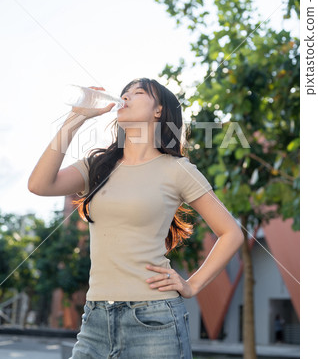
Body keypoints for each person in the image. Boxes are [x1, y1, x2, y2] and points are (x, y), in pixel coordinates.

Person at [28, 78, 244, 358]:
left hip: (155, 318)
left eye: (138, 93)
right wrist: (75, 118)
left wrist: (192, 285)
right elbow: (39, 185)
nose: (126, 97)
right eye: (124, 93)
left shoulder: (178, 170)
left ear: (159, 110)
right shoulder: (97, 166)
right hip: (95, 317)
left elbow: (232, 233)